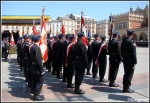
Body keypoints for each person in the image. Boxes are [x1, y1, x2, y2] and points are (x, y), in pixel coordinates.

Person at [30, 34, 45, 100]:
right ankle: (36, 95)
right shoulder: (36, 48)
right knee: (40, 80)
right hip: (37, 66)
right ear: (38, 40)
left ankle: (34, 91)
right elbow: (38, 60)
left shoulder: (32, 46)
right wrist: (42, 69)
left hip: (33, 65)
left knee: (35, 80)